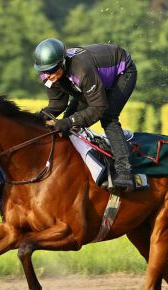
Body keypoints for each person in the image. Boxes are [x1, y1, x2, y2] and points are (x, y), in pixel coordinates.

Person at [33, 38, 137, 191]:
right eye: (43, 71)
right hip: (95, 78)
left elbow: (99, 107)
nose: (47, 75)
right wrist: (34, 120)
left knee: (108, 117)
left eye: (51, 70)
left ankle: (124, 171)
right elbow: (57, 104)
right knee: (68, 122)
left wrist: (70, 121)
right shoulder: (48, 75)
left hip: (123, 70)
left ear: (62, 63)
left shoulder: (81, 70)